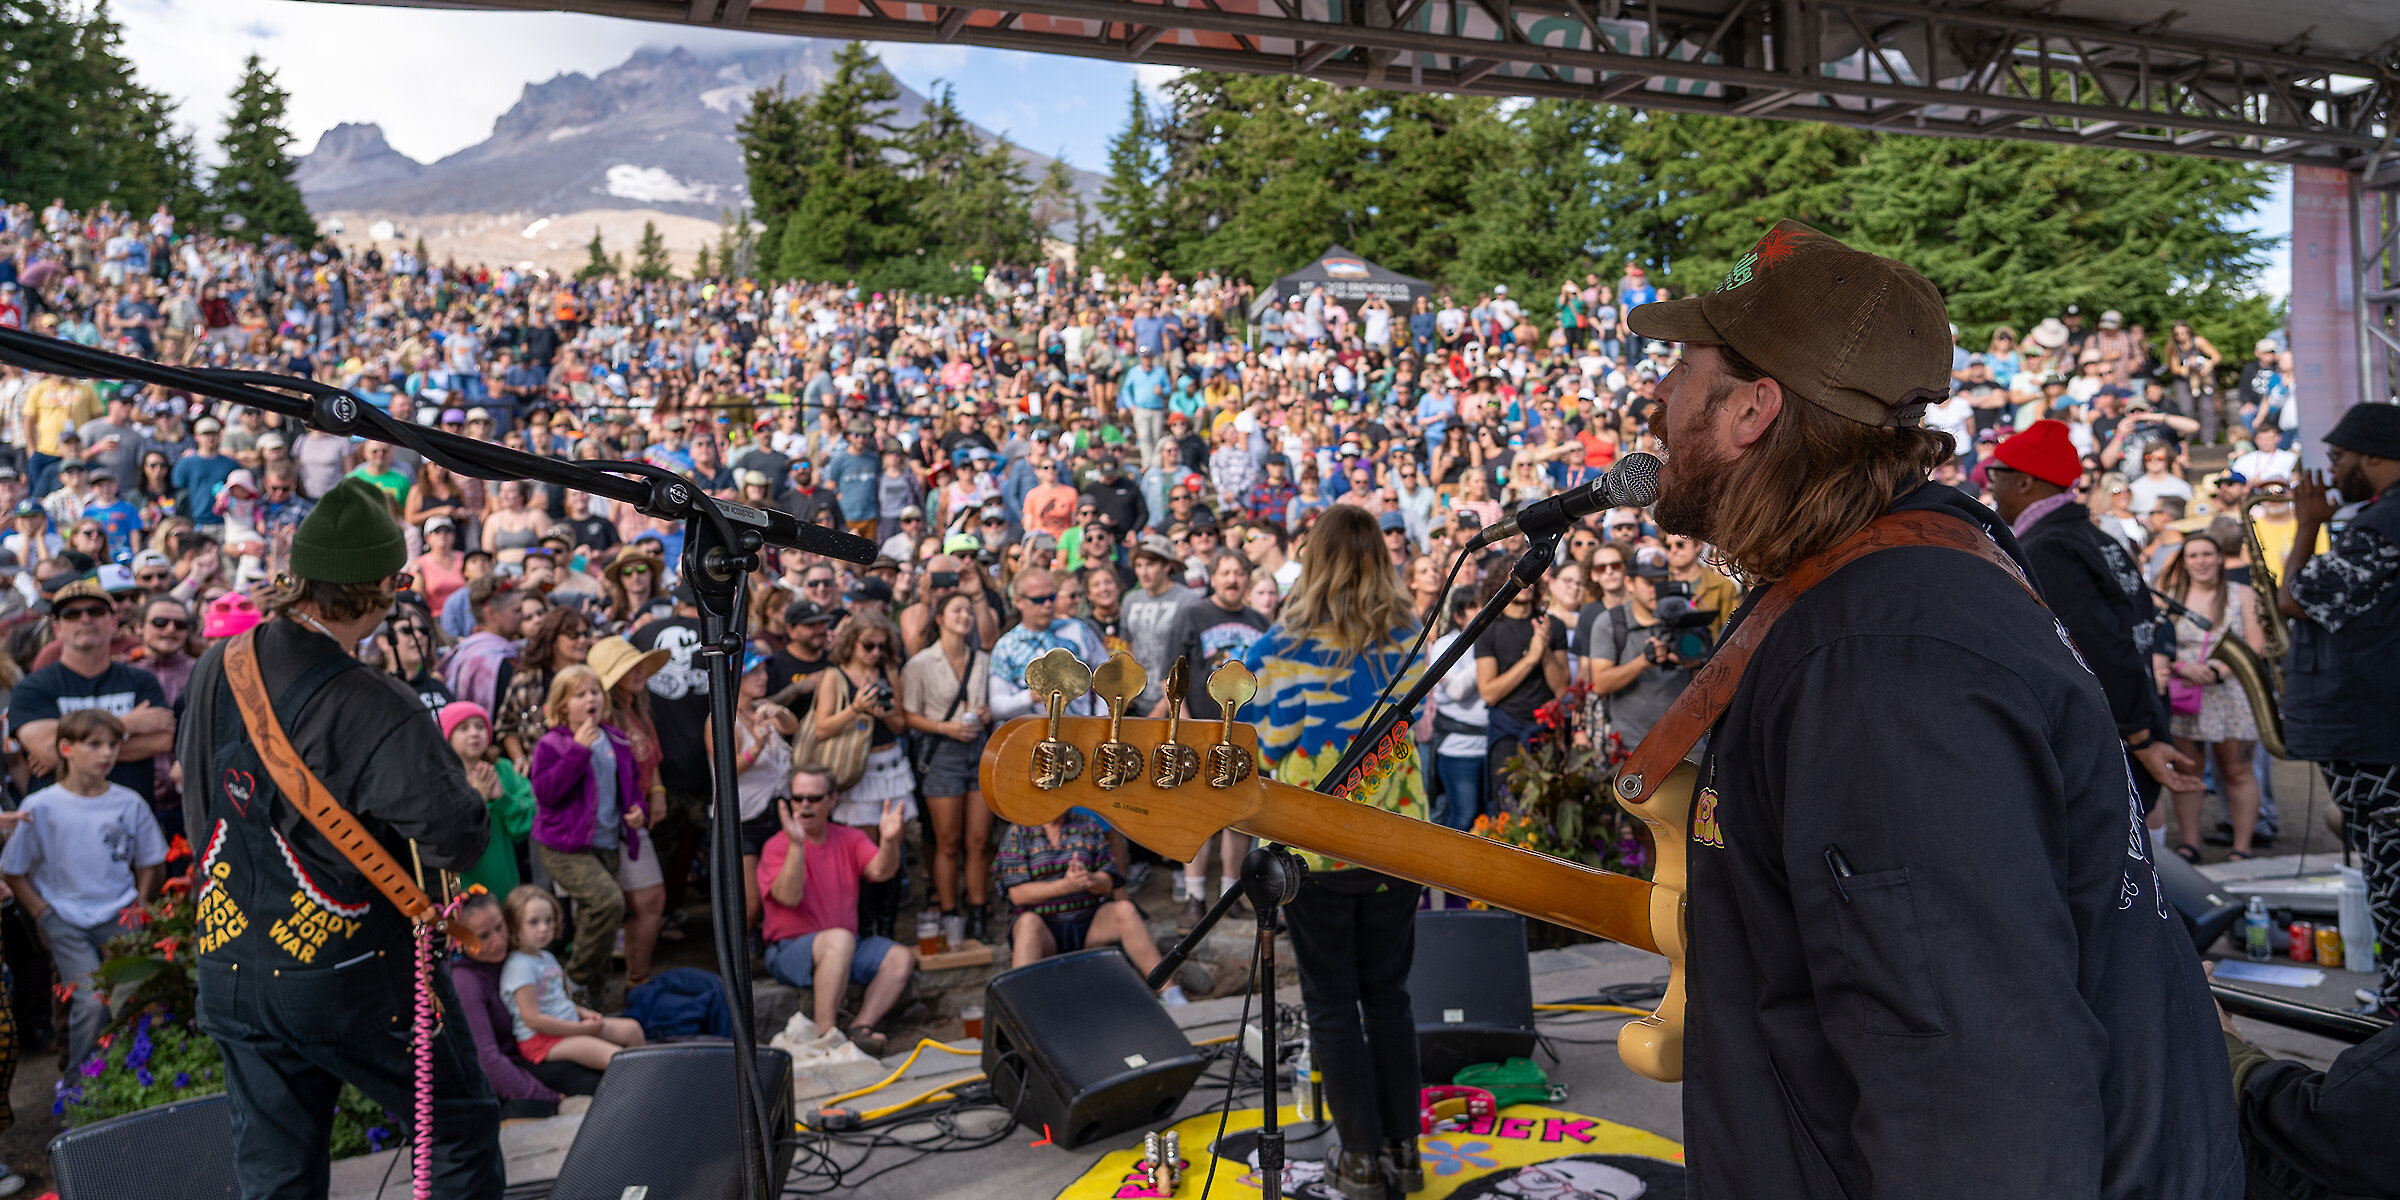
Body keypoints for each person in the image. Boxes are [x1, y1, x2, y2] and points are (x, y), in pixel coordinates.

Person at [1623, 219, 2237, 1195]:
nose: (1655, 403)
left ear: (1751, 411)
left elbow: (1975, 1088)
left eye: (1680, 374)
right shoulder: (1900, 587)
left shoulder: (1880, 657)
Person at [176, 475, 503, 1196]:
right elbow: (455, 842)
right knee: (457, 1126)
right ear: (385, 585)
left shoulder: (214, 666)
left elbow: (201, 809)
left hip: (231, 963)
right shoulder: (375, 703)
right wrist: (468, 790)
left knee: (276, 1173)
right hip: (351, 975)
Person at [1239, 504, 1430, 1200]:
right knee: (1390, 997)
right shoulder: (1408, 638)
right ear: (1382, 560)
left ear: (1311, 561)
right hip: (1397, 848)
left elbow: (1264, 741)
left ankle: (1357, 1157)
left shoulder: (1277, 649)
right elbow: (1416, 727)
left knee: (1331, 1005)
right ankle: (1404, 1153)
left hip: (1310, 856)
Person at [1989, 420, 2205, 818]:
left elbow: (2099, 645)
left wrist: (2139, 734)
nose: (1990, 487)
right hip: (2125, 724)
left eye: (1994, 475)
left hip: (2106, 737)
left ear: (2023, 482)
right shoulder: (2091, 536)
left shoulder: (2049, 546)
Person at [2275, 401, 2400, 1020]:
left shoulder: (2384, 525)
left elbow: (2298, 597)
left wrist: (2305, 526)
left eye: (2341, 457)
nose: (2333, 470)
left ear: (2376, 456)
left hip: (2378, 734)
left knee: (2391, 868)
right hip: (2380, 724)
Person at [0, 708, 165, 1068]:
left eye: (113, 745)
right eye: (94, 744)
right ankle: (82, 1091)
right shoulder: (41, 805)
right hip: (67, 919)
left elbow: (151, 859)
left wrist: (139, 904)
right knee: (91, 1002)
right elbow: (14, 870)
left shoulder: (128, 802)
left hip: (121, 916)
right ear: (66, 748)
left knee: (131, 997)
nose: (107, 754)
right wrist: (44, 914)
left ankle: (130, 1080)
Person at [758, 765, 915, 1055]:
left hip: (845, 947)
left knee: (899, 957)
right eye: (798, 798)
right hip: (790, 951)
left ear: (832, 800)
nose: (805, 804)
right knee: (840, 939)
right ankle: (827, 1038)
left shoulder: (849, 837)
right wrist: (796, 845)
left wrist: (890, 841)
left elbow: (882, 871)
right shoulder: (776, 846)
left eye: (814, 798)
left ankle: (860, 1028)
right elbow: (788, 897)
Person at [1152, 551, 1271, 922]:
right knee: (1197, 816)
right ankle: (1194, 897)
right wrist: (1184, 725)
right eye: (1226, 572)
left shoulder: (1260, 621)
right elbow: (1172, 676)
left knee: (1239, 817)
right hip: (1200, 729)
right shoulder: (1194, 614)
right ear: (1214, 578)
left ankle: (1230, 896)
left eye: (1239, 572)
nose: (1233, 579)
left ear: (1247, 579)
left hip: (1244, 735)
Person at [526, 665, 645, 998]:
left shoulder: (616, 737)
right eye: (580, 694)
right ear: (563, 705)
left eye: (595, 691)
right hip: (564, 845)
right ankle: (572, 980)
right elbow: (546, 794)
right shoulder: (553, 744)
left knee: (598, 922)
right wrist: (578, 750)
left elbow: (631, 785)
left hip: (606, 842)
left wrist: (637, 810)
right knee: (607, 903)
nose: (590, 698)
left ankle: (595, 1000)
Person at [2154, 534, 2268, 863]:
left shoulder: (2241, 594)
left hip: (2231, 691)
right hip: (2184, 691)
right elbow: (2156, 641)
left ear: (2220, 558)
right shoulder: (2171, 596)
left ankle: (2241, 846)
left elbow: (2255, 643)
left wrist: (2218, 670)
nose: (2201, 561)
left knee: (2237, 770)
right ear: (2184, 561)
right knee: (2188, 770)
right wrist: (2180, 666)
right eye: (2193, 555)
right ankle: (2190, 844)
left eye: (2207, 554)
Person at [449, 891, 602, 1120]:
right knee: (598, 1083)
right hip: (520, 1064)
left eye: (500, 927)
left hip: (549, 1040)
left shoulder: (516, 956)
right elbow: (488, 1060)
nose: (498, 940)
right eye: (483, 936)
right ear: (460, 940)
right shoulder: (466, 983)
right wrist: (549, 1097)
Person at [994, 810, 1177, 1000]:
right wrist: (1066, 885)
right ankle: (1020, 1007)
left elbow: (1107, 881)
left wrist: (1089, 879)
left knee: (1126, 910)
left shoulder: (1087, 825)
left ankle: (1171, 993)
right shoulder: (1019, 831)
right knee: (1027, 923)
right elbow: (1017, 894)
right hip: (1044, 929)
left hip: (1087, 922)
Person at [901, 591, 994, 944]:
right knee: (948, 841)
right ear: (940, 618)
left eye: (969, 611)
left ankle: (977, 910)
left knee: (979, 840)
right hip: (942, 753)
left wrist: (985, 713)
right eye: (957, 610)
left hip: (978, 749)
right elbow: (908, 715)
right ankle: (951, 910)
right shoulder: (921, 664)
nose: (965, 616)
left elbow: (986, 704)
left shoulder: (981, 659)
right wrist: (946, 728)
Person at [498, 885, 645, 1069]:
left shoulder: (546, 957)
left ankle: (644, 1083)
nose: (544, 928)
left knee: (632, 1029)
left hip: (569, 1024)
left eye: (548, 920)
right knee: (618, 1059)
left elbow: (557, 999)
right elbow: (533, 1019)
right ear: (514, 926)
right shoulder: (519, 966)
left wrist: (584, 1014)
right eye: (533, 922)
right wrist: (580, 1030)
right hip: (541, 1040)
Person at [710, 651, 797, 930]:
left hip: (774, 812)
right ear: (736, 675)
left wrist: (780, 711)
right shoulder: (720, 717)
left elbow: (792, 726)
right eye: (754, 672)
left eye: (763, 671)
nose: (764, 677)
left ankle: (770, 942)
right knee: (748, 902)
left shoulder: (761, 708)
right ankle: (736, 964)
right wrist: (757, 747)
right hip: (742, 820)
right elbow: (726, 770)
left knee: (779, 888)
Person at [1580, 548, 1696, 755]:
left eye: (1662, 583)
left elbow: (1710, 672)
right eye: (1649, 583)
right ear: (1629, 584)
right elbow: (1599, 683)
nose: (1656, 591)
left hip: (1688, 744)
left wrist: (1693, 661)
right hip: (1631, 748)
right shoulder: (1610, 622)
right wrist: (1644, 661)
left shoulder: (1686, 614)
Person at [1474, 573, 1568, 802]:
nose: (1527, 580)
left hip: (1544, 734)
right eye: (1518, 572)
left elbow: (1562, 689)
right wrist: (1530, 659)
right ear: (1500, 582)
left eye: (1532, 573)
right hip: (1507, 735)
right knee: (1506, 812)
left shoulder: (1552, 625)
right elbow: (1489, 694)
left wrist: (1543, 650)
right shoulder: (1488, 628)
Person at [442, 702, 535, 898]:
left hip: (505, 883)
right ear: (446, 737)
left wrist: (502, 800)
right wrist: (478, 800)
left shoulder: (503, 770)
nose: (474, 733)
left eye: (480, 726)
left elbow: (527, 824)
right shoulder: (441, 781)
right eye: (463, 728)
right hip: (464, 890)